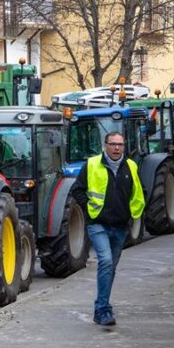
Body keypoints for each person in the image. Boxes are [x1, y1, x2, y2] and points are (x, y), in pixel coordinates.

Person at [72, 131, 145, 326]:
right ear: (105, 145)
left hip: (120, 226)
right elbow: (77, 190)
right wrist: (89, 211)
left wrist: (131, 216)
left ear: (124, 146)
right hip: (98, 224)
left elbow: (138, 192)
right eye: (112, 144)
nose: (116, 148)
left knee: (110, 267)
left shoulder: (131, 166)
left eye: (120, 144)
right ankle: (103, 309)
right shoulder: (92, 164)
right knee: (105, 261)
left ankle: (100, 309)